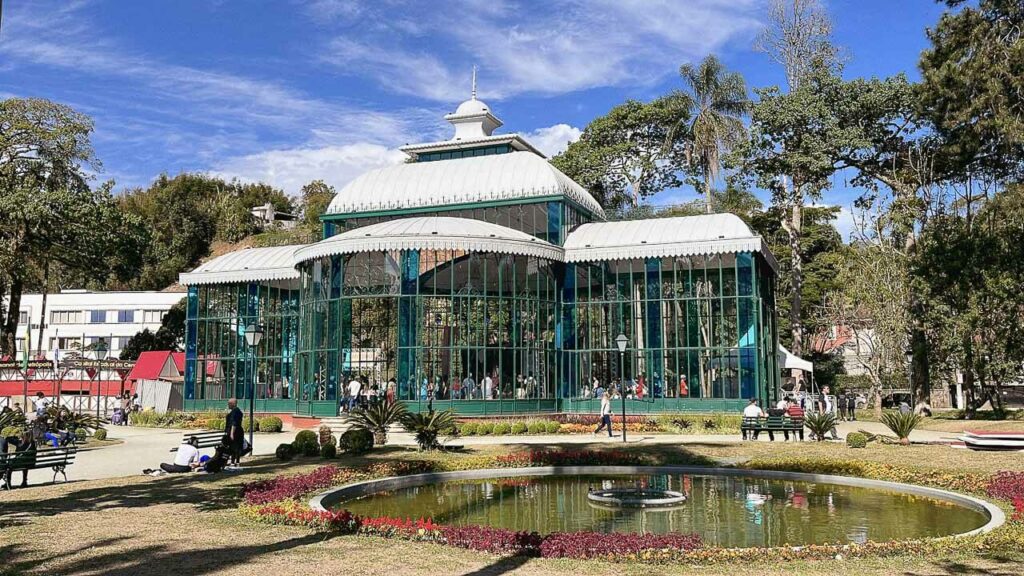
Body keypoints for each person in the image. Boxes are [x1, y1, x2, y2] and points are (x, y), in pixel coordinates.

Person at [224, 398, 244, 469]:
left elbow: (234, 423)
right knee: (236, 447)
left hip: (235, 431)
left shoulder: (235, 412)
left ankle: (233, 462)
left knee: (234, 447)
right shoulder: (236, 411)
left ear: (234, 404)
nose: (228, 405)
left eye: (229, 403)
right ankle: (236, 462)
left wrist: (231, 433)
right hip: (238, 431)